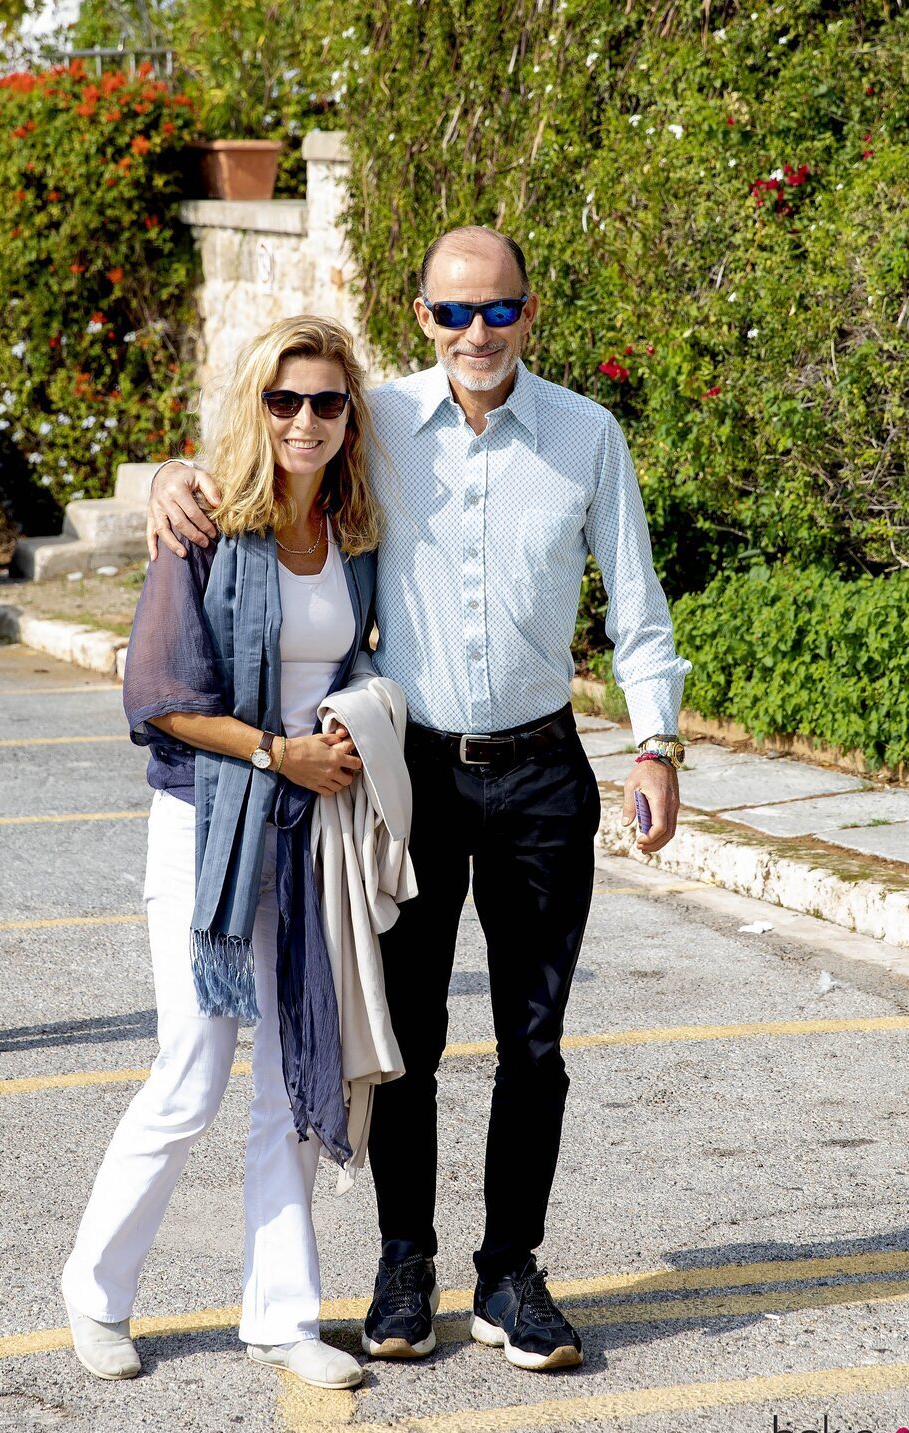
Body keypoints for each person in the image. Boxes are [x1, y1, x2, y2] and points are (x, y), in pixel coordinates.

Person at [148, 226, 691, 1374]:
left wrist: (656, 747)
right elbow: (261, 451)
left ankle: (510, 1273)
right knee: (408, 1038)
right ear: (420, 317)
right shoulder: (377, 422)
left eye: (497, 311)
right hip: (412, 780)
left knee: (533, 1042)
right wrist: (171, 479)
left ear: (529, 314)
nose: (476, 334)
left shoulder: (586, 439)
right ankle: (405, 1263)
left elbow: (636, 609)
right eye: (453, 314)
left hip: (543, 773)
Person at [62, 316, 384, 1390]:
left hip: (310, 835)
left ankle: (283, 1317)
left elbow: (354, 659)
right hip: (208, 826)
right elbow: (158, 698)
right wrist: (279, 754)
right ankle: (94, 1291)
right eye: (283, 401)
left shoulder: (353, 533)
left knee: (292, 1080)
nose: (304, 420)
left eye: (326, 402)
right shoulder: (204, 527)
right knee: (190, 1075)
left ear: (349, 416)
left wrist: (345, 730)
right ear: (256, 407)